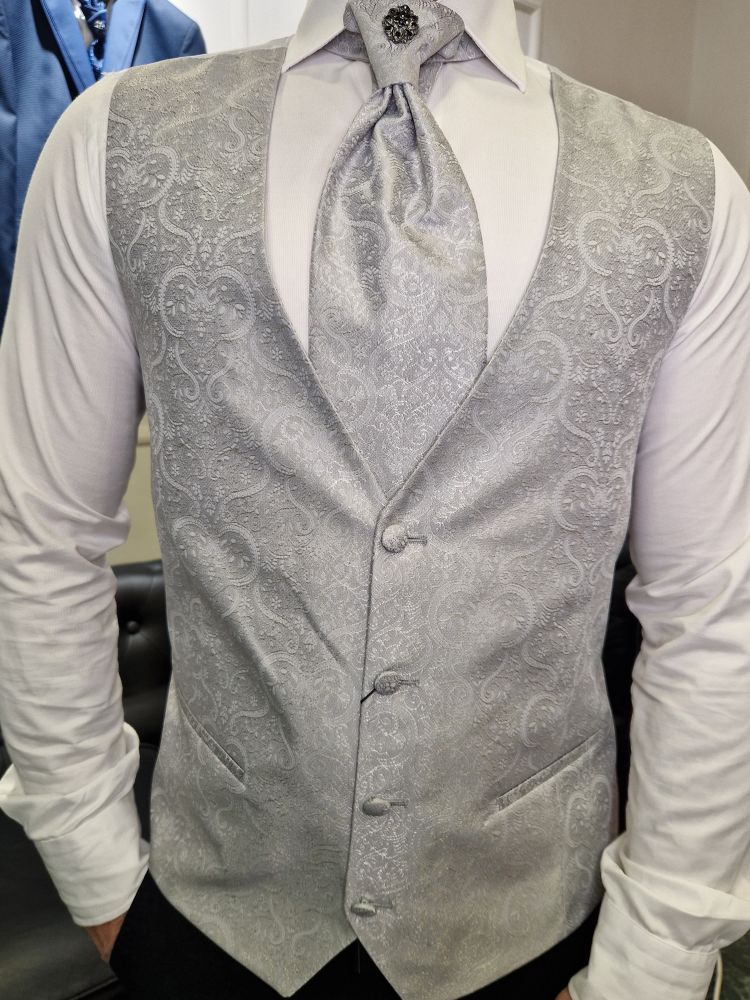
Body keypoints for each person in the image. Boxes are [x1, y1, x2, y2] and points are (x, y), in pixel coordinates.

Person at [1, 1, 749, 998]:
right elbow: (39, 533)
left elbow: (711, 604)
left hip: (539, 934)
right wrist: (93, 865)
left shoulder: (689, 191)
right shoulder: (113, 142)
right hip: (205, 924)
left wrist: (655, 960)